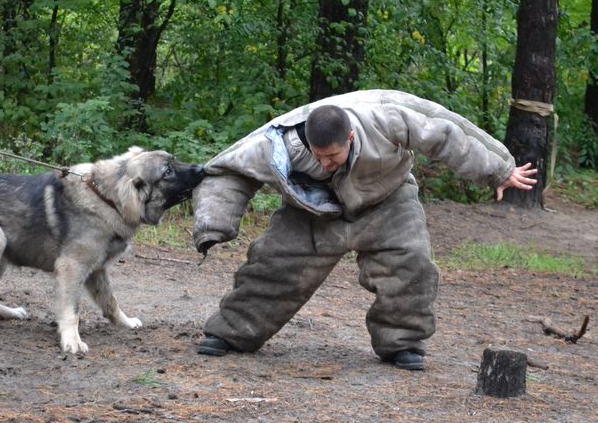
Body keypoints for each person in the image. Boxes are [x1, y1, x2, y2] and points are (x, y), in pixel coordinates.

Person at [191, 89, 538, 371]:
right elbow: (225, 170)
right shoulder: (276, 143)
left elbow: (446, 131)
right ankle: (233, 331)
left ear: (351, 136)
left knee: (411, 265)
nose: (326, 163)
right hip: (313, 212)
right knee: (274, 268)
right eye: (319, 156)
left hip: (388, 198)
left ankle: (402, 343)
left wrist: (498, 169)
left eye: (334, 156)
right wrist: (214, 224)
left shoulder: (386, 114)